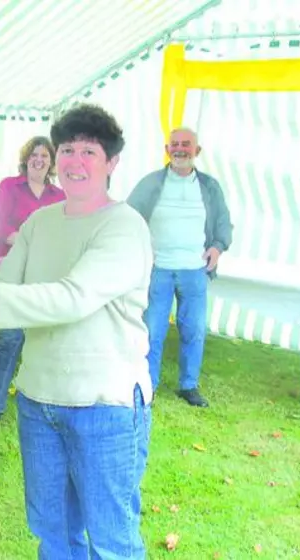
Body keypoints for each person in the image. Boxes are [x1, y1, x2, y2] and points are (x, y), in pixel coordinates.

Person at [0, 104, 154, 559]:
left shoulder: (124, 226)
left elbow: (70, 299)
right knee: (53, 535)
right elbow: (0, 288)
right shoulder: (40, 223)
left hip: (106, 407)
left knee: (112, 542)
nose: (74, 162)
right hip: (40, 401)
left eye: (89, 152)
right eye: (67, 150)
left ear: (112, 163)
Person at [126, 127, 233, 408]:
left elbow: (223, 222)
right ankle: (147, 383)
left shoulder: (210, 187)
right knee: (152, 330)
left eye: (186, 144)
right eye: (175, 144)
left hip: (195, 270)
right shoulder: (151, 183)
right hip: (158, 268)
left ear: (197, 151)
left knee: (194, 329)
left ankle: (188, 385)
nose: (180, 149)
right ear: (167, 149)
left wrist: (218, 247)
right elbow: (127, 218)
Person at [0, 136, 65, 425]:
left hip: (46, 274)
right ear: (26, 158)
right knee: (10, 339)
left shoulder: (59, 195)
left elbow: (65, 230)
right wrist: (26, 245)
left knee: (49, 340)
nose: (39, 159)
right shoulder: (9, 186)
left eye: (45, 156)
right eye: (34, 154)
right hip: (13, 270)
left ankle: (50, 402)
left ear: (51, 162)